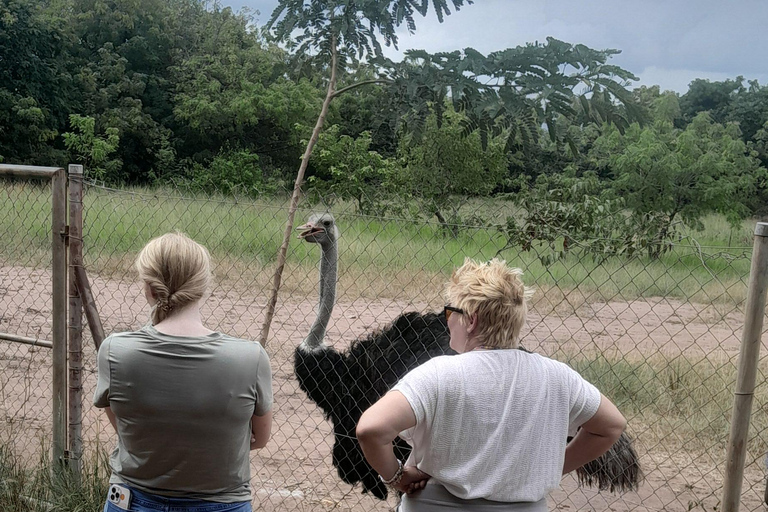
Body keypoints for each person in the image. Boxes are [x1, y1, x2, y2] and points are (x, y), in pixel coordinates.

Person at [357, 258, 626, 512]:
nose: (447, 320)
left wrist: (397, 477)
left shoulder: (438, 374)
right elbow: (611, 426)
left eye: (451, 312)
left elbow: (371, 429)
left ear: (471, 320)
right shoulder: (557, 377)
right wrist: (553, 467)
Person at [94, 232, 273, 512]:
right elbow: (259, 439)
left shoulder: (115, 351)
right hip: (221, 504)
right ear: (202, 288)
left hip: (132, 501)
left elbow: (126, 431)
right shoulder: (250, 357)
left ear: (149, 288)